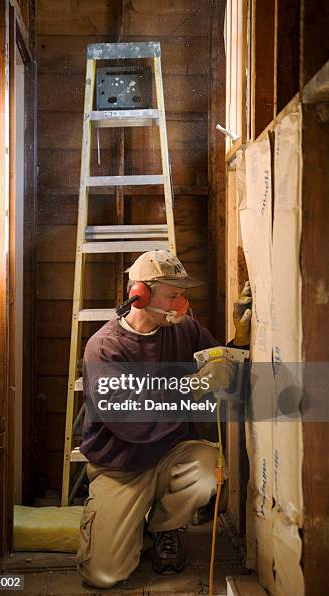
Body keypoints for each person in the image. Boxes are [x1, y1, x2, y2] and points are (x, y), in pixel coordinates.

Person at [76, 250, 251, 589]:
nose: (181, 303)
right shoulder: (105, 348)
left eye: (182, 295)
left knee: (205, 466)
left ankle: (165, 530)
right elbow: (131, 421)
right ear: (140, 295)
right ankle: (125, 527)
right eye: (173, 295)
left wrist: (238, 343)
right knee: (103, 574)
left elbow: (216, 369)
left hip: (170, 456)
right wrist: (189, 388)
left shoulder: (185, 329)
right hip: (122, 466)